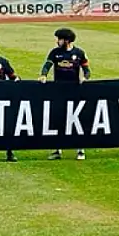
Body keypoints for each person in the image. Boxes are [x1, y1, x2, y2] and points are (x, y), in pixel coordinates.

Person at [39, 27, 89, 161]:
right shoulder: (55, 53)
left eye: (59, 39)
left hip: (74, 90)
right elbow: (47, 65)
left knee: (76, 120)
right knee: (58, 119)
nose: (57, 41)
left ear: (67, 40)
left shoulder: (79, 53)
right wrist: (43, 75)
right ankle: (57, 149)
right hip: (58, 90)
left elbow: (86, 70)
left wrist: (85, 77)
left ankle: (80, 150)